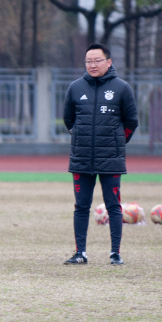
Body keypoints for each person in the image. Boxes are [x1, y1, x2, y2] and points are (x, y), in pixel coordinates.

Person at [63, 43, 138, 265]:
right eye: (88, 61)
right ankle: (80, 253)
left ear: (109, 62)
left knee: (114, 205)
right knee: (81, 206)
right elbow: (68, 120)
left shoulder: (122, 88)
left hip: (111, 158)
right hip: (81, 157)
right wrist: (80, 137)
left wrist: (117, 142)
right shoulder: (75, 87)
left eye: (97, 60)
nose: (92, 65)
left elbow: (131, 122)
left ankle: (115, 254)